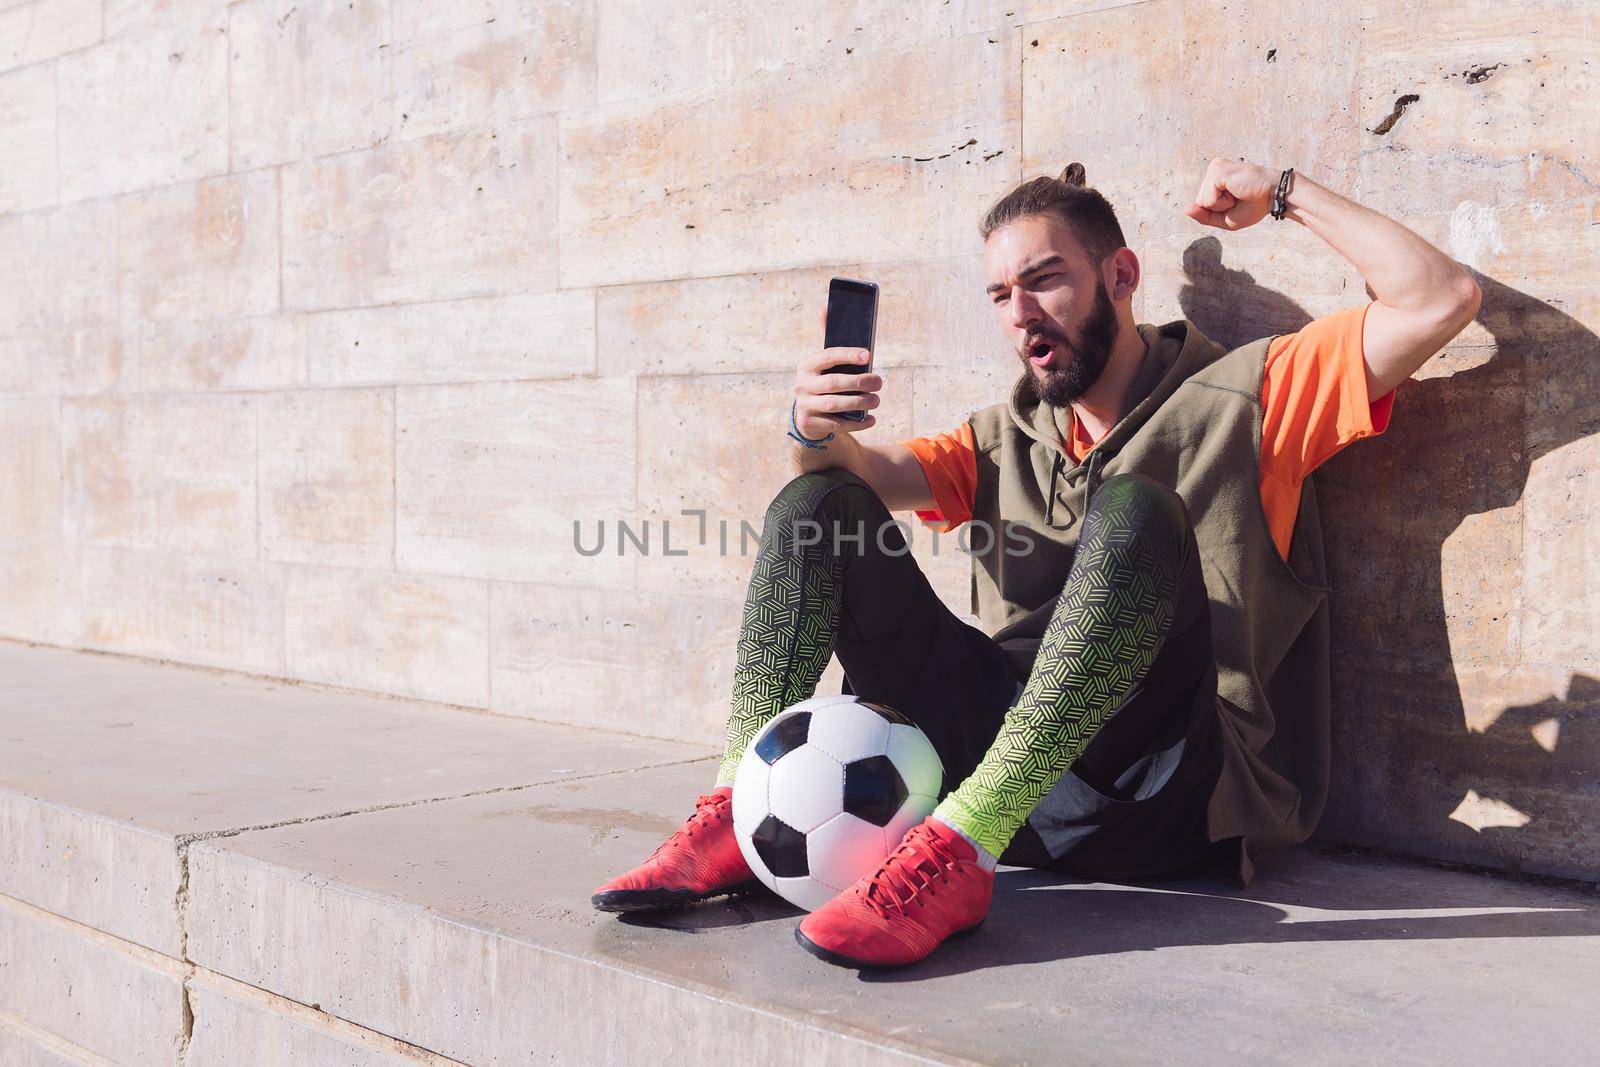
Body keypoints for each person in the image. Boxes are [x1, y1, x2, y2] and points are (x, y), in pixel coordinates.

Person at [590, 158, 1482, 969]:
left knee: (1136, 511)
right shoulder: (1000, 436)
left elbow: (1440, 298)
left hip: (1167, 792)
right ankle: (735, 819)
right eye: (999, 294)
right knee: (814, 503)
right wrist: (815, 428)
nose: (1020, 315)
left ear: (1120, 276)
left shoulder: (1255, 393)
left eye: (1044, 279)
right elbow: (858, 480)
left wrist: (1285, 193)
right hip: (1002, 771)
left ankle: (960, 853)